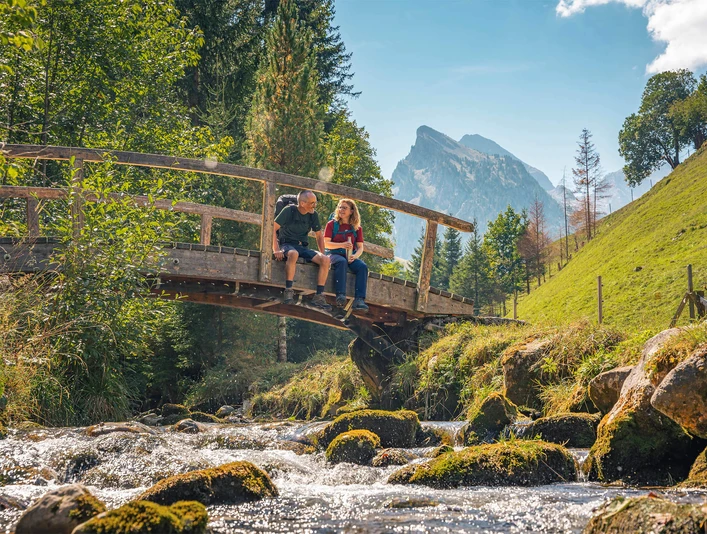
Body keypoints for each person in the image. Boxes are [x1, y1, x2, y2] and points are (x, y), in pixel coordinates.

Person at [273, 190, 332, 311]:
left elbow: (319, 236)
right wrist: (276, 249)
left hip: (302, 247)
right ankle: (288, 290)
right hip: (287, 244)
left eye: (315, 203)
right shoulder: (289, 211)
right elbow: (272, 228)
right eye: (312, 203)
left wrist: (323, 253)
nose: (314, 206)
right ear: (302, 203)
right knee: (293, 254)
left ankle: (319, 295)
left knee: (325, 260)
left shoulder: (313, 215)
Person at [323, 198, 369, 312]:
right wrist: (342, 245)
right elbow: (326, 244)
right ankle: (340, 295)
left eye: (345, 208)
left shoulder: (357, 228)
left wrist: (355, 256)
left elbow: (360, 247)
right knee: (341, 262)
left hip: (350, 256)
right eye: (340, 207)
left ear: (352, 211)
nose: (341, 210)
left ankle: (359, 300)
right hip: (333, 254)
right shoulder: (332, 224)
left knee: (362, 267)